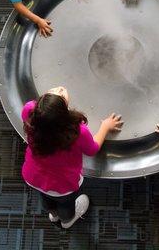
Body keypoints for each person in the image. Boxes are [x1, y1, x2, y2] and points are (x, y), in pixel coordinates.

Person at [21, 86, 123, 228]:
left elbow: (35, 108)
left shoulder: (30, 113)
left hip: (32, 176)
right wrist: (105, 127)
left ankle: (53, 214)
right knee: (65, 203)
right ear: (64, 115)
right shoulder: (77, 131)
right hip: (62, 185)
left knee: (45, 197)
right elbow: (92, 149)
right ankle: (66, 220)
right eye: (59, 96)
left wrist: (49, 103)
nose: (59, 89)